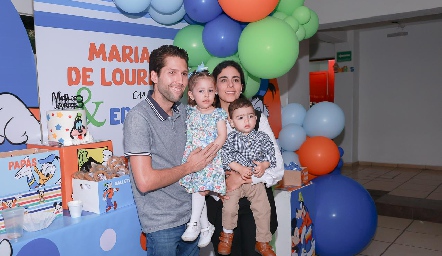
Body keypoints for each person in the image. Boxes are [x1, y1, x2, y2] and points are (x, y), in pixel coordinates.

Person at [123, 45, 219, 256]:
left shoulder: (186, 113)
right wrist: (189, 167)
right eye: (172, 73)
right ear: (154, 76)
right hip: (162, 225)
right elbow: (145, 181)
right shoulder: (139, 118)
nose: (180, 81)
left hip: (192, 219)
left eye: (184, 74)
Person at [206, 60, 284, 256]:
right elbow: (198, 167)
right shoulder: (204, 122)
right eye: (224, 80)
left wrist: (242, 177)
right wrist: (222, 183)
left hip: (255, 206)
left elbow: (277, 168)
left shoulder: (258, 119)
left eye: (236, 80)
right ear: (214, 87)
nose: (230, 85)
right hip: (222, 206)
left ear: (242, 86)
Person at [218, 98, 277, 256]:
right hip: (235, 182)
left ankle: (263, 242)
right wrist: (239, 168)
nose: (247, 121)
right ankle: (227, 235)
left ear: (256, 118)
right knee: (229, 208)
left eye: (250, 116)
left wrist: (263, 165)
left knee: (263, 208)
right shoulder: (230, 139)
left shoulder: (262, 137)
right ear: (231, 122)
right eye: (240, 118)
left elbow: (271, 155)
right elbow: (225, 157)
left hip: (254, 182)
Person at [179, 68, 228, 248]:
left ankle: (194, 223)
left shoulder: (218, 114)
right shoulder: (190, 113)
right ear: (191, 95)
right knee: (196, 191)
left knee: (199, 191)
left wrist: (210, 152)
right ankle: (206, 226)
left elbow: (222, 135)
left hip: (209, 158)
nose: (206, 95)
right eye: (201, 91)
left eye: (210, 90)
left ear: (215, 92)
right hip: (192, 157)